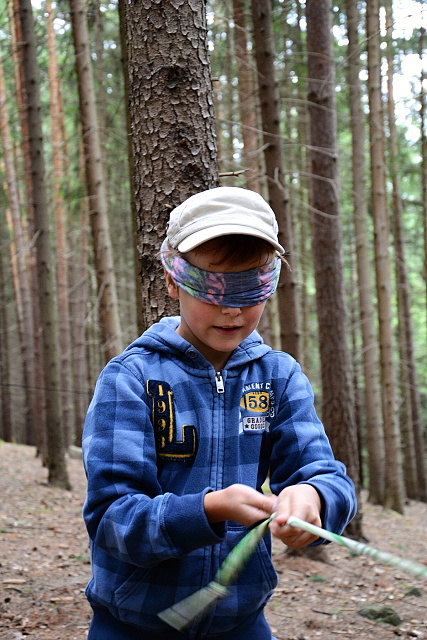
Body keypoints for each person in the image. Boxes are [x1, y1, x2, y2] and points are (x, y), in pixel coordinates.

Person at [82, 186, 357, 640]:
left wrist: (314, 498)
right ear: (173, 281)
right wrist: (207, 511)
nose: (232, 309)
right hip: (132, 623)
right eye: (211, 288)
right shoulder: (131, 378)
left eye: (251, 288)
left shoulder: (278, 377)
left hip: (240, 623)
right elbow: (113, 519)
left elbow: (327, 476)